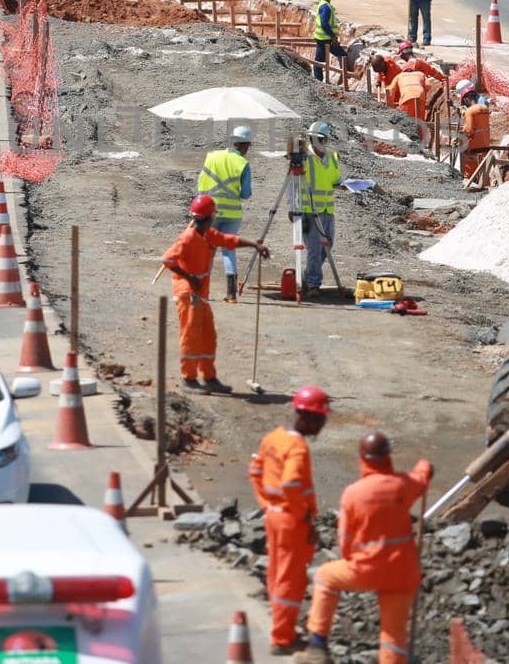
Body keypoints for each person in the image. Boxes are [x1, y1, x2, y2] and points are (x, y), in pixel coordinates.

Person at [297, 431, 433, 664]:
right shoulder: (402, 485)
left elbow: (345, 539)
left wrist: (352, 558)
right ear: (387, 456)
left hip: (366, 569)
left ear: (363, 458)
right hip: (402, 573)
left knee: (325, 577)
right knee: (393, 635)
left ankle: (317, 647)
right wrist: (424, 466)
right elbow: (421, 478)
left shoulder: (354, 494)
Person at [248, 385, 330, 655]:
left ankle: (280, 627)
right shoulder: (297, 447)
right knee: (290, 580)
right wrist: (302, 516)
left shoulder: (274, 437)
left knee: (276, 572)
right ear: (308, 418)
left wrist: (266, 504)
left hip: (273, 516)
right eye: (320, 420)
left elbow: (256, 470)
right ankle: (281, 639)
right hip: (291, 521)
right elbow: (292, 482)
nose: (321, 426)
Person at [161, 194, 269, 391]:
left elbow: (228, 240)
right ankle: (189, 378)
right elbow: (168, 260)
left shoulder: (207, 234)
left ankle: (209, 377)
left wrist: (255, 245)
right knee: (191, 335)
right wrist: (189, 277)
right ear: (210, 217)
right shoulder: (187, 238)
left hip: (200, 294)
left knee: (208, 336)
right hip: (188, 294)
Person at [196, 125, 254, 303]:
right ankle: (231, 295)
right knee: (229, 250)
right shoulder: (243, 164)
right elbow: (245, 193)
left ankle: (201, 291)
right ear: (245, 145)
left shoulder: (212, 157)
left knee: (207, 251)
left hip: (210, 212)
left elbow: (200, 184)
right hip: (232, 215)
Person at [299, 121, 340, 297]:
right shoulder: (304, 157)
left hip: (327, 209)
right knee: (314, 248)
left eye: (318, 139)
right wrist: (293, 208)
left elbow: (335, 180)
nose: (314, 142)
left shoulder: (332, 156)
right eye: (312, 138)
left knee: (328, 244)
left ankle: (307, 276)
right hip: (309, 210)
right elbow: (294, 184)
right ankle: (314, 284)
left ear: (325, 140)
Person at [456, 79, 491, 178]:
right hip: (485, 144)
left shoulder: (470, 111)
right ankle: (486, 187)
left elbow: (468, 130)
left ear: (467, 99)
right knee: (484, 171)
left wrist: (459, 136)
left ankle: (469, 187)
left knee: (469, 170)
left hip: (473, 147)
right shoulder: (485, 109)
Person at [312, 0, 346, 82]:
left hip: (321, 38)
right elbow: (324, 24)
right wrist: (333, 37)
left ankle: (318, 80)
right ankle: (344, 77)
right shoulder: (326, 7)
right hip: (326, 39)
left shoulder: (325, 5)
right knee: (342, 55)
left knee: (319, 60)